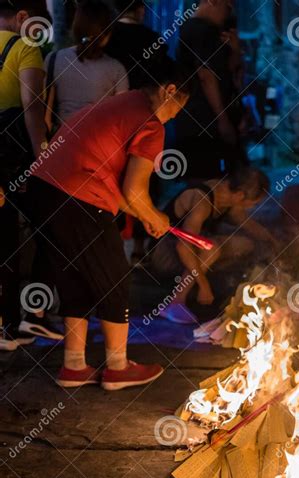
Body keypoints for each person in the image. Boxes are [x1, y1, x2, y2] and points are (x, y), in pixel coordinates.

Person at [27, 56, 191, 390]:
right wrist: (156, 216)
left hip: (43, 189)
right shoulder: (150, 123)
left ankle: (74, 365)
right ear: (169, 91)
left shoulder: (119, 105)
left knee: (76, 275)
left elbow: (125, 195)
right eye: (179, 107)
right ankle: (117, 366)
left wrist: (146, 217)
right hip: (78, 193)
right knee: (114, 277)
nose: (176, 114)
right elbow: (134, 189)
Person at [0, 0, 61, 351]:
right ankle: (21, 321)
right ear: (23, 18)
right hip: (11, 160)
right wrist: (43, 157)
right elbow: (32, 108)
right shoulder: (25, 47)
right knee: (47, 228)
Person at [147, 167, 276, 323]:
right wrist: (204, 285)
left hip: (187, 249)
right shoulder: (202, 199)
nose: (251, 207)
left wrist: (274, 242)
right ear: (241, 195)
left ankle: (197, 287)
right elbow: (183, 247)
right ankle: (175, 302)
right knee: (212, 248)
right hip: (163, 253)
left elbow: (248, 224)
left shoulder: (229, 197)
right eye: (253, 203)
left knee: (244, 244)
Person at [175, 0, 245, 179]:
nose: (228, 12)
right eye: (227, 6)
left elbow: (229, 71)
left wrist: (236, 50)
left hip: (211, 117)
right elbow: (206, 76)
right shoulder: (199, 30)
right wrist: (222, 119)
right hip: (203, 119)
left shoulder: (212, 32)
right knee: (206, 181)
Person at [44, 0, 128, 131]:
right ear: (107, 34)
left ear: (76, 27)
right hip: (100, 143)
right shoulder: (116, 69)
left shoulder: (54, 59)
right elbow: (121, 118)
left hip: (63, 142)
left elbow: (45, 116)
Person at [105, 0, 167, 90]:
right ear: (141, 9)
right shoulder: (152, 37)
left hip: (111, 95)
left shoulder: (106, 34)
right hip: (143, 96)